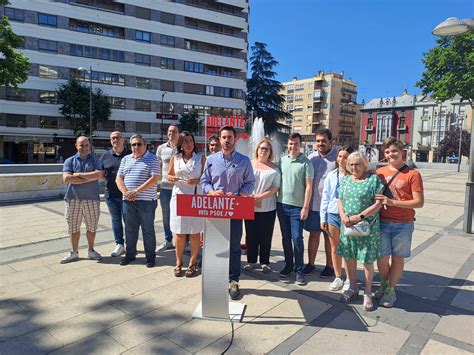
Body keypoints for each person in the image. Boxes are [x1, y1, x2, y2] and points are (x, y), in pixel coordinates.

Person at [201, 126, 255, 300]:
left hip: (235, 209)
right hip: (215, 209)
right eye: (223, 137)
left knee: (233, 247)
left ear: (235, 139)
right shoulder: (211, 159)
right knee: (215, 246)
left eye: (229, 137)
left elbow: (250, 183)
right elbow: (205, 181)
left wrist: (239, 193)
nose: (226, 140)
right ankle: (216, 279)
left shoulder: (244, 161)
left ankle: (233, 280)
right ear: (220, 139)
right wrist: (210, 192)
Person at [375, 137, 424, 308]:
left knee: (397, 258)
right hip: (381, 222)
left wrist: (393, 202)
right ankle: (384, 283)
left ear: (402, 152)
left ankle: (390, 289)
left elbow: (419, 202)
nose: (390, 154)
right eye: (387, 152)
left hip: (403, 223)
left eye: (394, 151)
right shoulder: (379, 172)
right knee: (381, 257)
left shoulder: (413, 174)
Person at [337, 152, 384, 311]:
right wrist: (343, 216)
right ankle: (353, 288)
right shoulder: (345, 180)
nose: (353, 167)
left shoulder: (373, 180)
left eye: (357, 164)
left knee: (367, 260)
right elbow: (339, 199)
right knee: (349, 256)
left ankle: (368, 292)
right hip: (348, 225)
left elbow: (378, 204)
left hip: (367, 226)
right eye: (350, 164)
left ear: (365, 165)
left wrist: (359, 216)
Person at [116, 135, 161, 268]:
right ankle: (130, 255)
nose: (136, 147)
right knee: (130, 230)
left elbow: (154, 179)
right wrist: (125, 192)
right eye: (133, 145)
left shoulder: (153, 159)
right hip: (128, 201)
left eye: (139, 144)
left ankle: (150, 257)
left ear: (145, 145)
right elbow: (119, 178)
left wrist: (136, 191)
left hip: (146, 202)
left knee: (148, 230)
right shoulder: (125, 159)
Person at [277, 133, 314, 286]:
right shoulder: (282, 161)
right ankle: (289, 265)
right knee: (285, 238)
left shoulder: (306, 163)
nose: (293, 147)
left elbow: (309, 186)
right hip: (282, 205)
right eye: (291, 144)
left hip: (298, 207)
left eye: (296, 144)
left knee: (297, 238)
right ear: (288, 144)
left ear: (301, 145)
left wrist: (305, 207)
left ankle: (299, 270)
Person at [60, 136, 103, 264]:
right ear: (76, 146)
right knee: (73, 227)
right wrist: (90, 177)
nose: (84, 148)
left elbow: (99, 175)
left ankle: (91, 250)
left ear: (89, 146)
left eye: (86, 145)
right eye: (81, 145)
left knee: (92, 227)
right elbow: (67, 178)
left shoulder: (95, 160)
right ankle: (74, 252)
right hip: (73, 199)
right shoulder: (69, 161)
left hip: (92, 199)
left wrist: (78, 175)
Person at [168, 131, 206, 277]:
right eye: (185, 141)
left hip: (195, 198)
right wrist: (174, 178)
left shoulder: (201, 158)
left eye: (191, 141)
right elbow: (169, 175)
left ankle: (192, 262)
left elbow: (207, 177)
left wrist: (197, 181)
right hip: (179, 197)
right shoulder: (175, 158)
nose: (189, 144)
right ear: (181, 144)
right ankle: (178, 262)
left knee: (194, 232)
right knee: (179, 232)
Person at [304, 128, 338, 278]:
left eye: (323, 141)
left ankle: (330, 266)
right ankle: (311, 264)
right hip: (314, 204)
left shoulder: (338, 157)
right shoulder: (311, 157)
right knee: (314, 235)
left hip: (331, 207)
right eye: (318, 141)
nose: (320, 143)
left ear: (330, 141)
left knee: (329, 237)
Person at [243, 139, 280, 273]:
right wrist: (251, 198)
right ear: (257, 149)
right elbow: (244, 182)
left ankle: (264, 262)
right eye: (261, 148)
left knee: (266, 235)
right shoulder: (249, 164)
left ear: (270, 152)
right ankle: (251, 261)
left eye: (266, 149)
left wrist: (260, 197)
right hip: (249, 205)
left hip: (268, 207)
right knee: (251, 235)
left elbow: (275, 188)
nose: (263, 150)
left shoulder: (274, 168)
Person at [320, 146, 354, 291]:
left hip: (347, 216)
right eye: (340, 156)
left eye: (345, 157)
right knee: (335, 248)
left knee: (347, 248)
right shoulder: (331, 175)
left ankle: (348, 279)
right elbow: (325, 197)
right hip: (332, 214)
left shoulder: (353, 176)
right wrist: (323, 217)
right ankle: (338, 276)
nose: (342, 160)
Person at [99, 131, 129, 257]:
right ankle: (119, 244)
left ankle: (130, 244)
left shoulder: (130, 154)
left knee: (129, 221)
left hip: (127, 195)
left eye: (117, 137)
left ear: (123, 140)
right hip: (111, 194)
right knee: (116, 220)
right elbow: (100, 173)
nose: (115, 140)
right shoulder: (105, 156)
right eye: (112, 138)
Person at [156, 125, 180, 252]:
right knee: (166, 215)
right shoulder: (161, 148)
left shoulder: (182, 147)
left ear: (179, 133)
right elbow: (157, 166)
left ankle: (185, 241)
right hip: (165, 188)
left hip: (180, 188)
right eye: (170, 131)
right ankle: (168, 240)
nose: (172, 133)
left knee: (182, 215)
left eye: (175, 131)